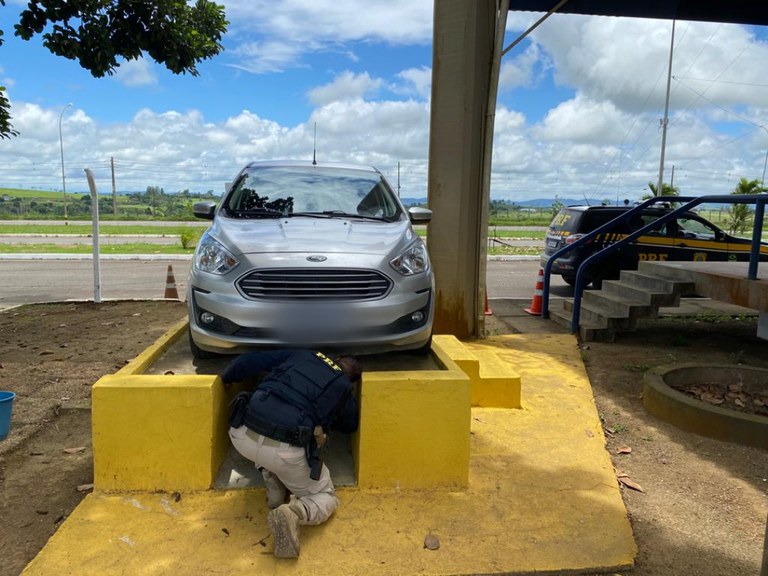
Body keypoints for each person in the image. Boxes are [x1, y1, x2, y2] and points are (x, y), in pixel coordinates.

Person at [221, 349, 361, 559]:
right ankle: (295, 512)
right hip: (284, 453)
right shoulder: (342, 387)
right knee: (324, 495)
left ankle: (273, 482)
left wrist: (227, 377)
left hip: (241, 434)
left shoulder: (303, 354)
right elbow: (350, 424)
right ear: (352, 381)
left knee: (266, 444)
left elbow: (247, 361)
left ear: (336, 358)